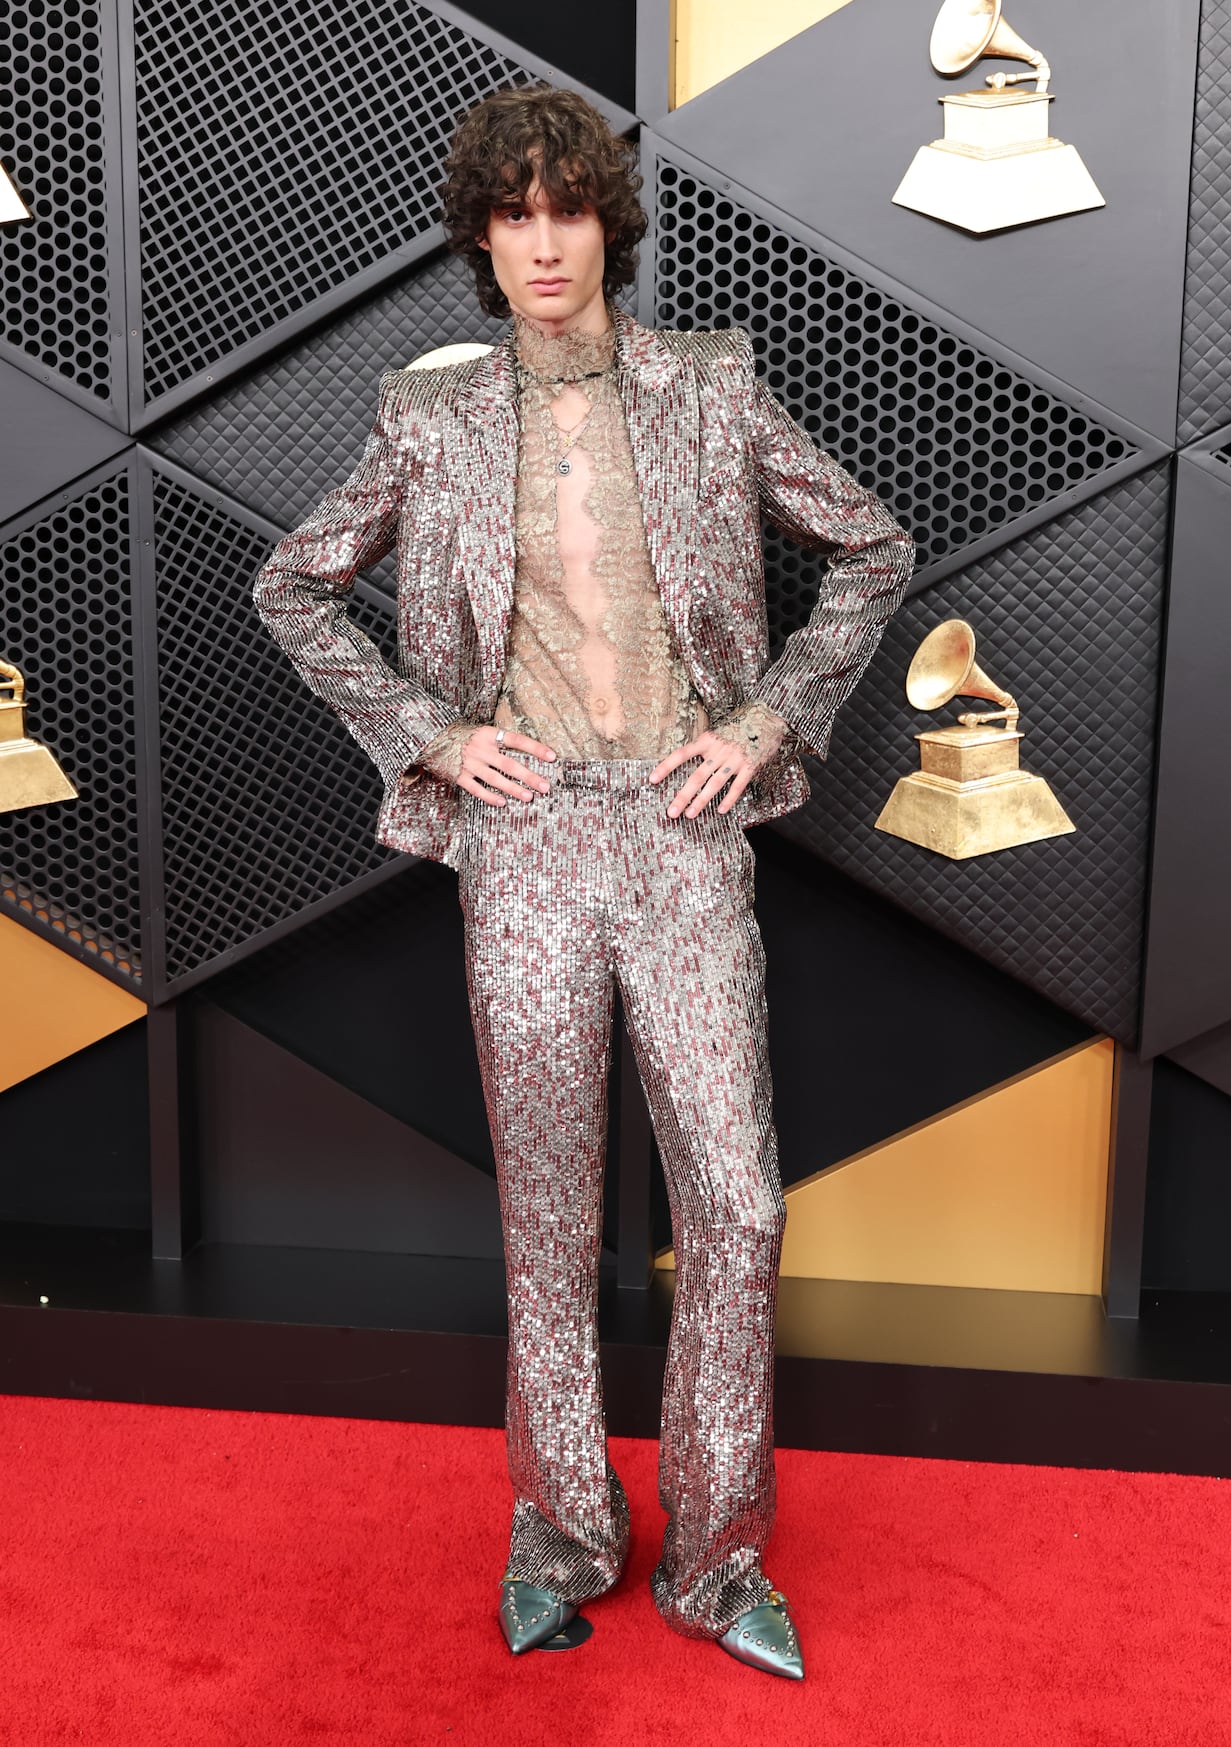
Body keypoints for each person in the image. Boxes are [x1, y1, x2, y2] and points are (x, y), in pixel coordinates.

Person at [252, 83, 917, 1680]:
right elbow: (293, 583)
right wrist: (433, 736)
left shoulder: (707, 385)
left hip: (686, 838)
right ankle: (558, 1536)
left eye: (567, 211)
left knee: (738, 1211)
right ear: (482, 239)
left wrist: (765, 721)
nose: (543, 243)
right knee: (550, 1226)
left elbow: (873, 550)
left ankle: (718, 1557)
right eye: (512, 214)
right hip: (531, 844)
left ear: (604, 224)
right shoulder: (435, 416)